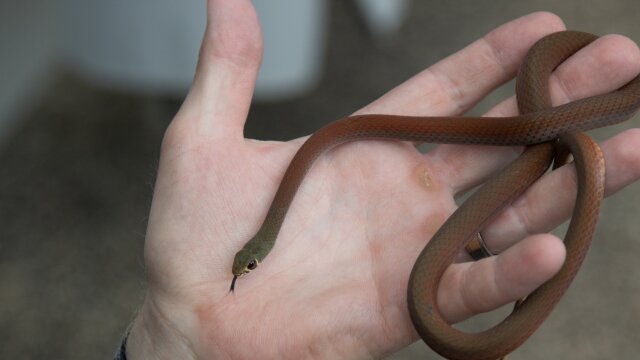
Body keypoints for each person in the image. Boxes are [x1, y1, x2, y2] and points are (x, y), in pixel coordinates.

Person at [118, 0, 640, 358]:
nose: (248, 268)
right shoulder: (255, 246)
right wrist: (176, 341)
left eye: (250, 263)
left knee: (551, 136)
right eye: (250, 266)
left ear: (259, 248)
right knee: (548, 144)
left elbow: (542, 133)